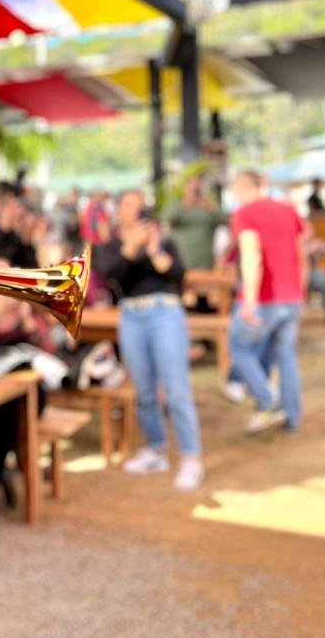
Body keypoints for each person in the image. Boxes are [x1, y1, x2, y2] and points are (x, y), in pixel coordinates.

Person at [93, 191, 204, 491]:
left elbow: (178, 276)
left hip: (164, 313)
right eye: (127, 203)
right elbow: (111, 276)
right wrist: (131, 246)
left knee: (176, 389)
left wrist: (154, 249)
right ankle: (156, 448)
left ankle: (191, 457)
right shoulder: (110, 247)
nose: (134, 209)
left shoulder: (163, 240)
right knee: (143, 390)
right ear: (117, 210)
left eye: (138, 204)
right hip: (131, 316)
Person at [228, 170, 307, 434]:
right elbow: (301, 253)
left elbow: (251, 256)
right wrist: (301, 293)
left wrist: (249, 300)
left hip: (264, 298)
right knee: (286, 357)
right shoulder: (287, 210)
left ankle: (266, 400)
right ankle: (292, 417)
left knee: (238, 347)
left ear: (239, 189)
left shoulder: (245, 213)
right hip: (291, 296)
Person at [164, 177, 225, 273]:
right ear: (185, 189)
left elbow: (224, 220)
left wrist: (210, 208)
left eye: (197, 188)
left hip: (205, 262)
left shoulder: (208, 206)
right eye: (191, 188)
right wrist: (186, 205)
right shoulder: (177, 205)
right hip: (182, 260)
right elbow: (167, 220)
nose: (194, 191)